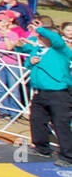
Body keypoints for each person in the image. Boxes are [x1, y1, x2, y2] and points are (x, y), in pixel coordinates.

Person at [14, 18, 72, 165]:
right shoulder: (37, 50)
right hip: (40, 92)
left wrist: (40, 28)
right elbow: (27, 62)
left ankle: (68, 156)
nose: (38, 39)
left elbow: (56, 38)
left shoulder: (60, 50)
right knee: (36, 119)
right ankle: (42, 148)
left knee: (61, 123)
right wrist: (30, 62)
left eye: (41, 37)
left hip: (58, 93)